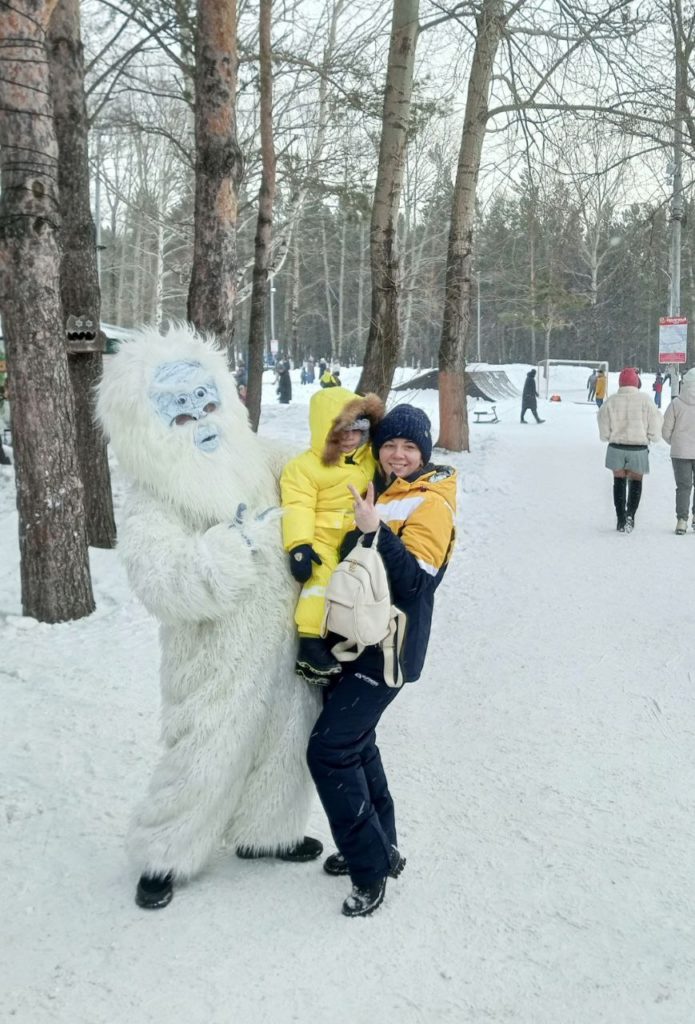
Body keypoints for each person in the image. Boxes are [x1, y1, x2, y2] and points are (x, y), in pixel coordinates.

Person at [96, 324, 322, 911]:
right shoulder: (155, 494)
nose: (200, 417)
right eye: (179, 411)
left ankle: (265, 833)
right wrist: (234, 548)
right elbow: (161, 580)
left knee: (283, 739)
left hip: (283, 639)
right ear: (148, 424)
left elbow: (311, 475)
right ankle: (163, 852)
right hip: (214, 656)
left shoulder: (257, 454)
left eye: (207, 401)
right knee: (203, 753)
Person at [307, 404, 456, 918]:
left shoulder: (431, 502)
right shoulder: (382, 487)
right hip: (354, 638)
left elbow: (418, 583)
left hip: (388, 649)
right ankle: (377, 845)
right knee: (357, 744)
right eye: (390, 444)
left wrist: (376, 530)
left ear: (424, 454)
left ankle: (369, 868)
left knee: (328, 751)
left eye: (409, 448)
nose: (397, 454)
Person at [280, 387, 383, 680]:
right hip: (323, 538)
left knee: (360, 582)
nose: (350, 439)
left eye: (357, 431)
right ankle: (310, 642)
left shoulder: (368, 460)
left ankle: (353, 634)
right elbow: (298, 505)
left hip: (356, 534)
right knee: (321, 581)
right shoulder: (304, 468)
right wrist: (299, 544)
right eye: (342, 433)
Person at [597, 366, 662, 533]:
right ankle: (630, 516)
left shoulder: (611, 401)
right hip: (638, 449)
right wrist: (651, 436)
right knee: (636, 481)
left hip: (616, 447)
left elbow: (603, 426)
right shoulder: (645, 400)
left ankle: (620, 518)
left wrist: (607, 436)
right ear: (636, 383)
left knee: (618, 482)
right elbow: (655, 425)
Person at [662, 366, 695, 534]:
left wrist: (674, 442)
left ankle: (682, 520)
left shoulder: (676, 403)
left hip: (680, 452)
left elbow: (666, 430)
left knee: (683, 486)